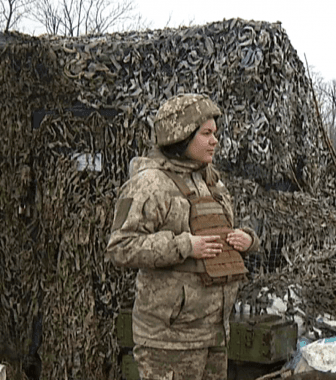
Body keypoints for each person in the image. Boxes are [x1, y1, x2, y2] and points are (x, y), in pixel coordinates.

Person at [107, 93, 260, 380]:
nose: (215, 141)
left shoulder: (211, 182)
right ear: (181, 136)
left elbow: (223, 233)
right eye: (206, 134)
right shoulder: (149, 184)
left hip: (214, 335)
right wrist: (184, 246)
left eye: (215, 133)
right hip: (168, 342)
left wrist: (247, 240)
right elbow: (120, 247)